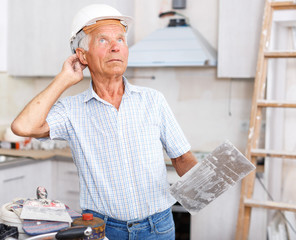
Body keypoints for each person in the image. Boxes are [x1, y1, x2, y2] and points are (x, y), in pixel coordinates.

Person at [11, 4, 198, 240]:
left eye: (121, 38)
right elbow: (23, 127)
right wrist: (64, 79)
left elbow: (182, 157)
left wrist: (206, 183)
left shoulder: (153, 100)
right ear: (82, 55)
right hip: (104, 229)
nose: (116, 46)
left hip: (157, 228)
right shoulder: (72, 110)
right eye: (103, 40)